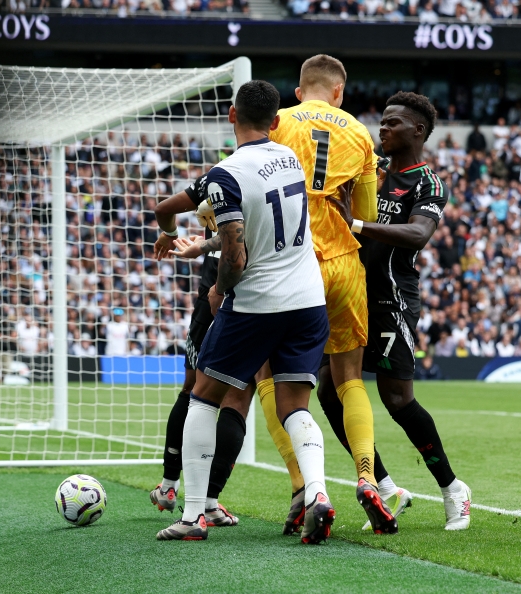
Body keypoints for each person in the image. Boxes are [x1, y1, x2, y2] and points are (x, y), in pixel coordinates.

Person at [155, 80, 333, 544]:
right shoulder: (291, 158)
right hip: (309, 299)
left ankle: (193, 516)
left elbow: (236, 255)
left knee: (203, 395)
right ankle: (316, 493)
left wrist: (218, 289)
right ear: (276, 121)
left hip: (258, 303)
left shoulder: (224, 174)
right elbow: (258, 229)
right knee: (295, 405)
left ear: (231, 116)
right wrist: (205, 247)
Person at [323, 92, 472, 531]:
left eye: (392, 123)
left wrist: (357, 224)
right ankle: (387, 489)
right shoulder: (371, 173)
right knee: (331, 393)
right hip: (349, 293)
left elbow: (418, 234)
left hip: (391, 297)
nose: (382, 129)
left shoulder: (427, 182)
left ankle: (453, 489)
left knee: (397, 399)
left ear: (418, 131)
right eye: (381, 122)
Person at [266, 55, 398, 534]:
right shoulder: (360, 134)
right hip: (343, 264)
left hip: (288, 262)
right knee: (348, 378)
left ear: (300, 90)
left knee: (271, 373)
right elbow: (363, 214)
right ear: (339, 92)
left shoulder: (278, 122)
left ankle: (302, 482)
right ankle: (368, 478)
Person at [148, 177, 255, 528]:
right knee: (235, 398)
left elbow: (166, 210)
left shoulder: (219, 181)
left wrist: (180, 237)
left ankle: (168, 486)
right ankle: (208, 502)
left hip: (206, 298)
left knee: (193, 390)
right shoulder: (266, 181)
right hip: (245, 299)